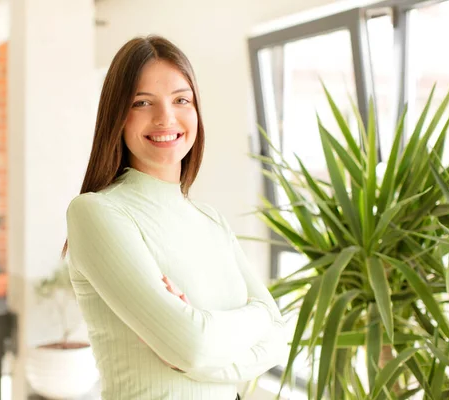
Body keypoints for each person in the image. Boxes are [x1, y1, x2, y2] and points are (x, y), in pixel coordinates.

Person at [63, 35, 288, 400]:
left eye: (181, 99)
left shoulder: (210, 219)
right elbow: (192, 347)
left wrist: (204, 346)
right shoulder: (96, 212)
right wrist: (256, 316)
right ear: (117, 116)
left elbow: (278, 337)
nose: (165, 118)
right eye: (142, 102)